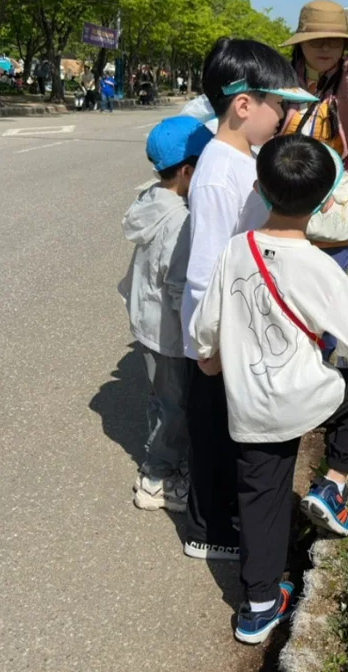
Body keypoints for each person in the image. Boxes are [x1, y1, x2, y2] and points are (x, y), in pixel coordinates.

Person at [190, 133, 348, 645]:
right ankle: (332, 485)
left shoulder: (236, 250)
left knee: (262, 498)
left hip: (251, 407)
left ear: (259, 188)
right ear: (324, 203)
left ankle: (257, 607)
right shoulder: (321, 267)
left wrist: (209, 359)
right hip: (309, 398)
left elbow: (207, 327)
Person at [180, 37, 298, 561]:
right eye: (280, 104)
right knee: (211, 434)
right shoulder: (217, 174)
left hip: (233, 324)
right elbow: (204, 271)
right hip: (216, 334)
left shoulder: (240, 158)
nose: (285, 115)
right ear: (243, 105)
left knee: (228, 431)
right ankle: (208, 530)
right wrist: (209, 346)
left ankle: (223, 512)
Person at [279, 0, 348, 360]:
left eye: (333, 41)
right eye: (316, 40)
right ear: (300, 43)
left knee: (323, 305)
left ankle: (318, 377)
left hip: (335, 216)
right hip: (283, 208)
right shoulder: (281, 79)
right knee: (283, 301)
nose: (325, 48)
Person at [119, 116, 214, 512]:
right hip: (170, 333)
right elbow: (178, 286)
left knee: (163, 399)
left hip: (147, 324)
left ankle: (161, 460)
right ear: (189, 171)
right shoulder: (183, 221)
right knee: (175, 407)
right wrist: (201, 338)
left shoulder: (151, 199)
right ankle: (157, 479)